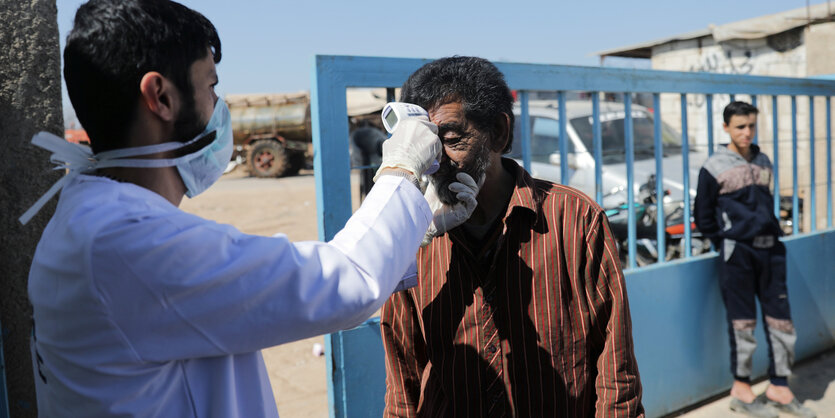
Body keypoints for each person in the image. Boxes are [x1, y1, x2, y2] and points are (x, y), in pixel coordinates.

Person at [21, 1, 480, 416]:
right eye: (211, 85)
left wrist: (418, 227)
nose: (219, 106)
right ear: (160, 97)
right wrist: (401, 172)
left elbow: (296, 279)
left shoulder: (92, 221)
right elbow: (344, 283)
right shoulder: (127, 243)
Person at [380, 56, 644, 417]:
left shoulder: (576, 220)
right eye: (422, 146)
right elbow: (402, 374)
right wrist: (411, 230)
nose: (433, 161)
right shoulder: (413, 234)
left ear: (500, 133)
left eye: (452, 140)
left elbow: (616, 369)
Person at [694, 101, 815, 418]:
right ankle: (742, 390)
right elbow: (703, 216)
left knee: (781, 320)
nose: (747, 133)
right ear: (726, 129)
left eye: (751, 126)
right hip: (738, 254)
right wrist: (727, 241)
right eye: (739, 127)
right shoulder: (713, 166)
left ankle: (779, 386)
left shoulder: (764, 160)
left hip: (771, 250)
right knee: (742, 323)